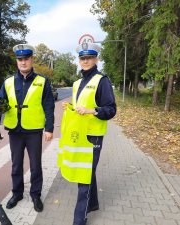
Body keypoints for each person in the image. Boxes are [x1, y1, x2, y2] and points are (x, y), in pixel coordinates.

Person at [60, 42, 116, 225]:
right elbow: (79, 108)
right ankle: (93, 204)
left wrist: (92, 111)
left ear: (96, 59)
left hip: (93, 136)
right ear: (79, 60)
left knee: (84, 174)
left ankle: (79, 218)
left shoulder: (102, 81)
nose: (85, 61)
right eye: (82, 58)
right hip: (79, 134)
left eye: (89, 58)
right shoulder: (77, 83)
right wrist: (69, 107)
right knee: (87, 171)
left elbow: (111, 109)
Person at [0, 44, 55, 212]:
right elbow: (1, 102)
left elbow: (49, 106)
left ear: (32, 60)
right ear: (17, 61)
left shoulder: (42, 81)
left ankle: (35, 195)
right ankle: (17, 193)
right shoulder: (8, 82)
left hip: (33, 131)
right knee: (16, 164)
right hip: (15, 130)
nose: (23, 62)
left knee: (35, 165)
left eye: (26, 59)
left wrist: (49, 128)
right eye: (20, 59)